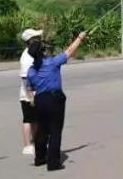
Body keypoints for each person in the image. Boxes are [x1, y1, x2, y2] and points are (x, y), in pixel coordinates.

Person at [27, 31, 87, 171]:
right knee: (55, 130)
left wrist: (33, 101)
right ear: (42, 51)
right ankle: (53, 163)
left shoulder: (30, 70)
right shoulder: (52, 62)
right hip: (54, 99)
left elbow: (30, 89)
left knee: (41, 130)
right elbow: (70, 51)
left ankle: (40, 158)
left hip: (40, 100)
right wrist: (79, 38)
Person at [19, 28, 43, 155]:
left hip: (36, 92)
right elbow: (25, 77)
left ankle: (35, 142)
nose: (39, 39)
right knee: (28, 119)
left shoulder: (33, 53)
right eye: (37, 38)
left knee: (36, 119)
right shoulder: (27, 56)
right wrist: (31, 96)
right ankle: (28, 145)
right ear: (31, 40)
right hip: (29, 94)